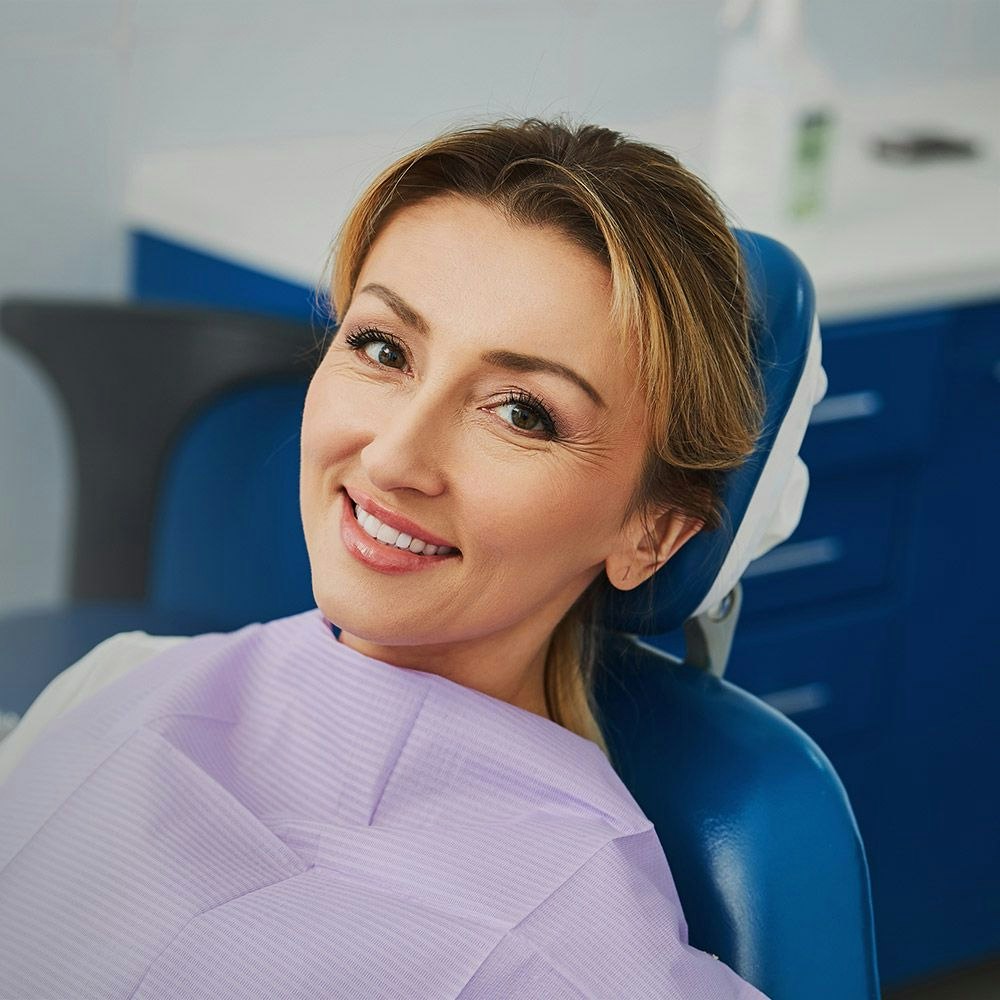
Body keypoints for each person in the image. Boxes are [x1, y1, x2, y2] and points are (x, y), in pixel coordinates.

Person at [0, 117, 770, 998]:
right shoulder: (120, 684)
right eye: (383, 348)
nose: (395, 457)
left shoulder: (583, 961)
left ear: (653, 535)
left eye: (521, 412)